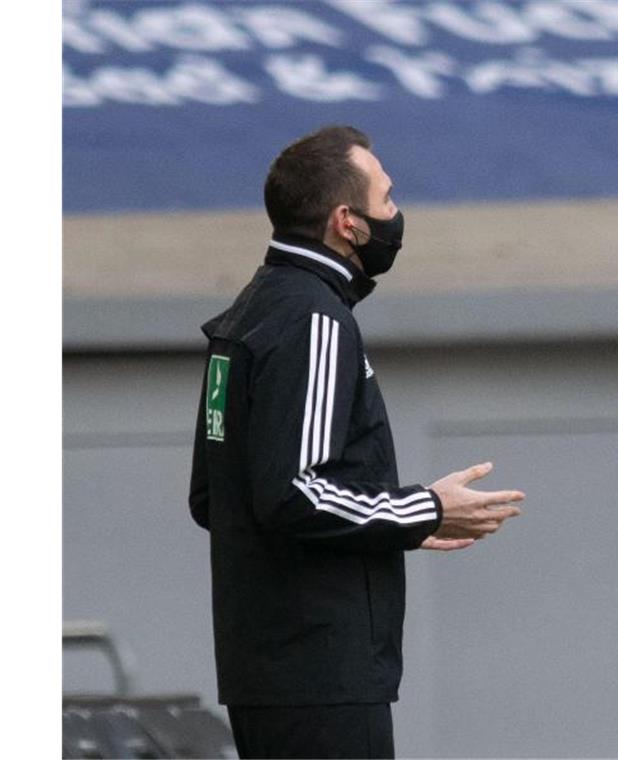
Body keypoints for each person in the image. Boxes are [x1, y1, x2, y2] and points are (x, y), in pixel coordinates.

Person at [188, 125, 524, 759]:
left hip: (264, 673)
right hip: (321, 674)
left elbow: (215, 498)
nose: (397, 216)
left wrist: (384, 523)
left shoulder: (250, 311)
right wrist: (422, 507)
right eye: (388, 200)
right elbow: (293, 493)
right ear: (347, 221)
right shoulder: (315, 317)